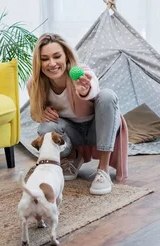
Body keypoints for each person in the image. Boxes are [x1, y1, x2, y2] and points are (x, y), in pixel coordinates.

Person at [26, 33, 127, 195]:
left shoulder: (81, 73)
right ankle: (73, 156)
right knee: (46, 127)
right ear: (39, 62)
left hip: (97, 129)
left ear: (66, 56)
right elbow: (35, 114)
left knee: (107, 95)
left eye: (56, 56)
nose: (51, 63)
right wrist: (42, 112)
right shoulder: (35, 83)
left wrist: (85, 91)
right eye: (45, 59)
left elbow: (93, 87)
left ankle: (103, 170)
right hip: (72, 134)